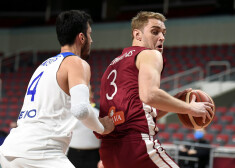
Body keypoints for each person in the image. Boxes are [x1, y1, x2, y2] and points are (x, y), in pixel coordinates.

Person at [94, 11, 214, 168]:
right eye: (155, 31)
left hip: (109, 151)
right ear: (137, 34)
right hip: (137, 147)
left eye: (163, 33)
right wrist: (190, 108)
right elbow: (149, 95)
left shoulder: (112, 67)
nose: (162, 37)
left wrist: (176, 101)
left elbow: (139, 112)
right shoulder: (150, 54)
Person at [0, 10, 114, 168]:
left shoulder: (43, 65)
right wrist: (102, 127)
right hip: (40, 152)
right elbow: (81, 109)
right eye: (90, 34)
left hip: (10, 150)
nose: (91, 40)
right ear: (82, 38)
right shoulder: (76, 62)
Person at [67, 86, 101, 168]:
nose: (84, 93)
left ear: (92, 94)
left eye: (87, 91)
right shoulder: (69, 111)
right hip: (73, 154)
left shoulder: (99, 111)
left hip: (94, 155)